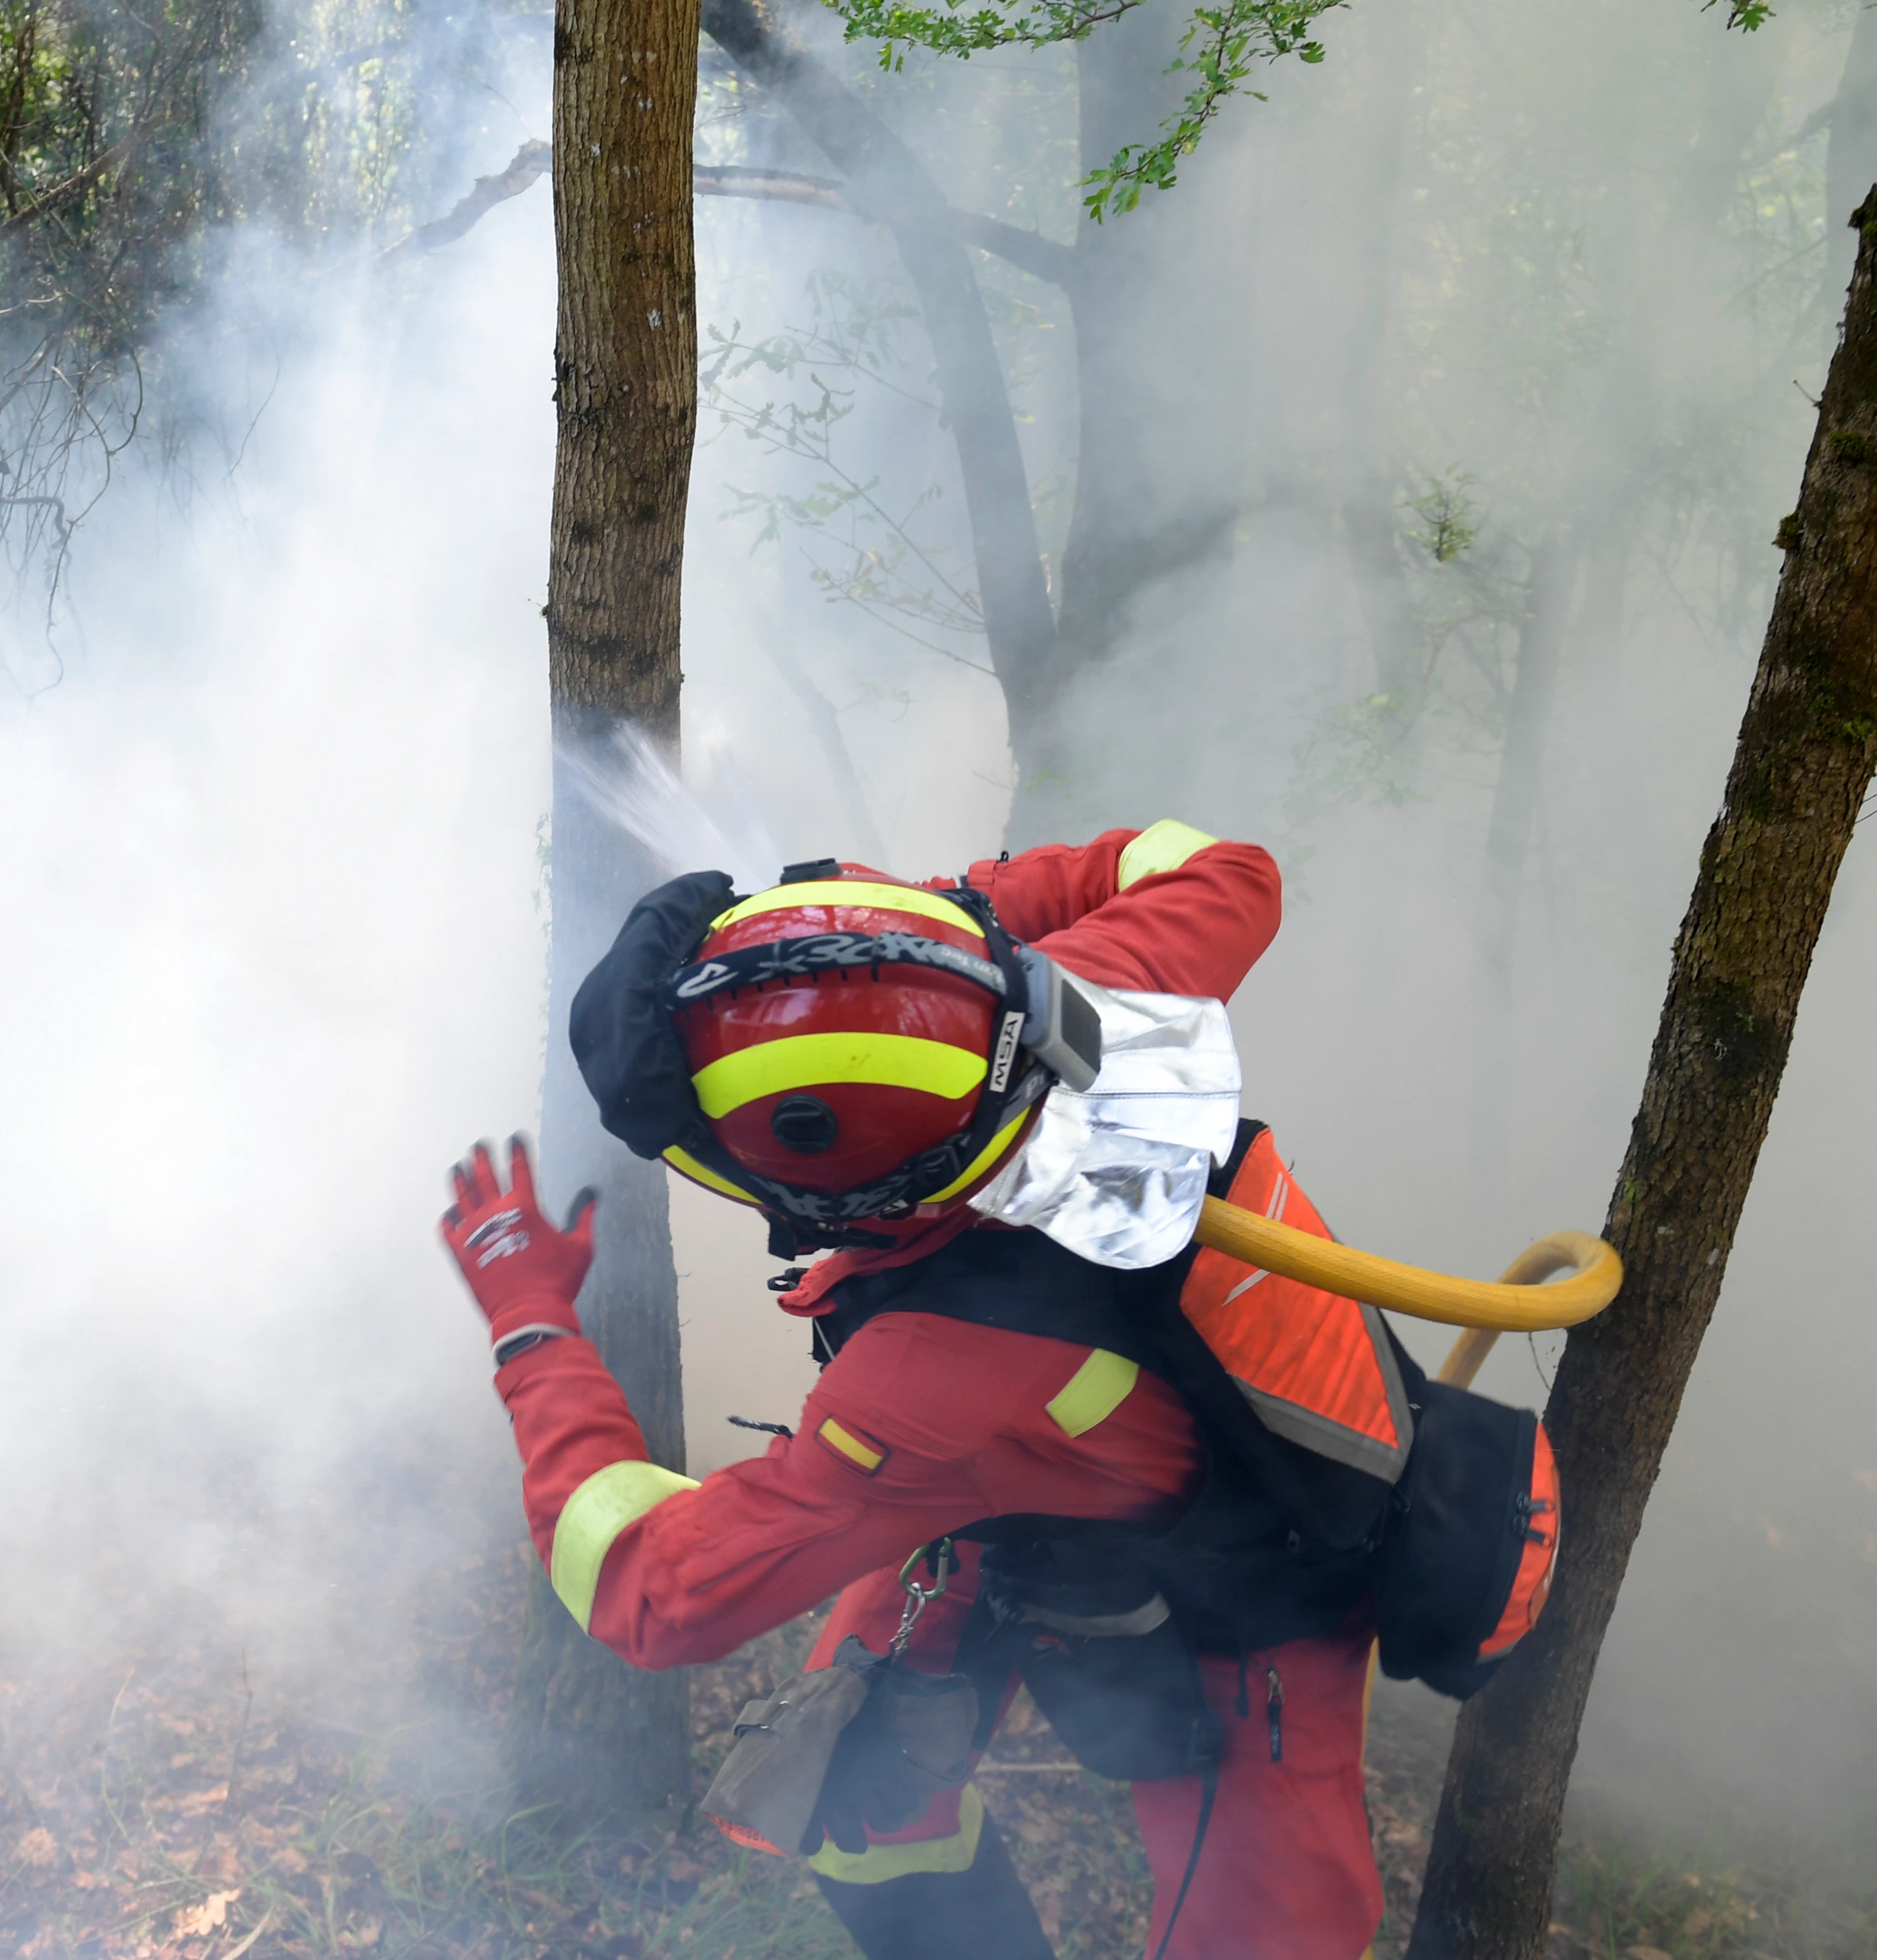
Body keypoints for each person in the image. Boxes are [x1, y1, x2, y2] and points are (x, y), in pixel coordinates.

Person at [438, 819, 1557, 1960]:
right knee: (859, 1801)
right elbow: (1226, 869)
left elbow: (654, 1590)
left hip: (1265, 1603)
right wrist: (907, 944)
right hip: (1024, 1499)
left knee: (1275, 1933)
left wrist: (531, 1326)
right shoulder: (1087, 996)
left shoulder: (923, 1383)